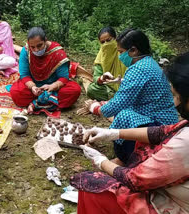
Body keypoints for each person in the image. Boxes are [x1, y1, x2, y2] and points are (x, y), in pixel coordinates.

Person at [70, 52, 189, 214]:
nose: (174, 104)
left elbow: (134, 180)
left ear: (132, 50)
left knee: (90, 183)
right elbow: (161, 132)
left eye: (176, 96)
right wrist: (114, 133)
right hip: (150, 120)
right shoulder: (145, 65)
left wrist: (101, 161)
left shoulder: (138, 70)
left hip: (172, 206)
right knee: (131, 124)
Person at [85, 29, 178, 164]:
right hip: (163, 118)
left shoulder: (139, 69)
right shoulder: (148, 62)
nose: (119, 56)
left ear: (133, 50)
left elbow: (118, 104)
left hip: (159, 125)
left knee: (124, 115)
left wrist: (96, 108)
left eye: (121, 52)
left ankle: (129, 158)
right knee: (123, 112)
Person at [10, 27, 81, 114]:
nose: (36, 50)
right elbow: (24, 75)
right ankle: (50, 100)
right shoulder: (26, 51)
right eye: (33, 47)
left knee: (74, 90)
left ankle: (35, 103)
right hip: (33, 85)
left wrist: (52, 86)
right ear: (29, 44)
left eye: (39, 45)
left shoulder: (57, 52)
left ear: (45, 40)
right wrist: (33, 87)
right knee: (16, 92)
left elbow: (63, 77)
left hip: (54, 86)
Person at [86, 27, 127, 101]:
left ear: (115, 38)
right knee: (91, 89)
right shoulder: (101, 55)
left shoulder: (123, 52)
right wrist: (101, 78)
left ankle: (117, 98)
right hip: (108, 86)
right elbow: (96, 76)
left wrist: (120, 80)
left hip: (125, 85)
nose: (106, 44)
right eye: (102, 42)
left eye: (108, 40)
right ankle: (116, 97)